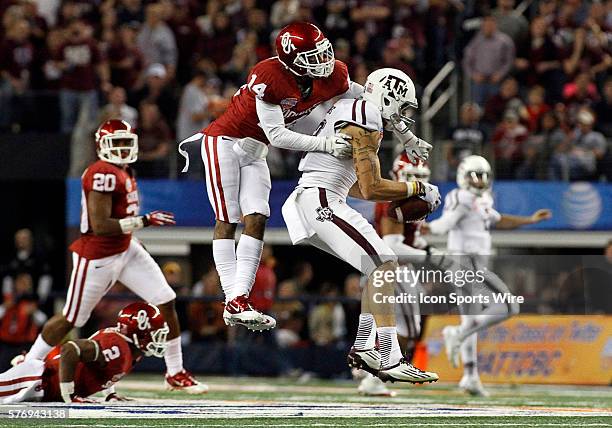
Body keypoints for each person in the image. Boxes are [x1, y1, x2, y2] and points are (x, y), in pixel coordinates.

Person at [178, 22, 364, 332]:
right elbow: (277, 135)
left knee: (259, 217)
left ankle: (239, 300)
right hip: (225, 141)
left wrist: (396, 118)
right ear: (291, 58)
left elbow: (361, 94)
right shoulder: (269, 76)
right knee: (228, 218)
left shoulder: (331, 75)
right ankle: (233, 299)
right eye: (312, 56)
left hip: (255, 150)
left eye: (323, 53)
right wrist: (327, 144)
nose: (323, 62)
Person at [16, 119, 207, 394]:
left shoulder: (125, 171)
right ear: (101, 146)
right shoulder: (100, 173)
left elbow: (120, 218)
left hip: (125, 248)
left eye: (125, 143)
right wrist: (143, 222)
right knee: (72, 318)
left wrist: (134, 234)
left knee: (166, 300)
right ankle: (30, 361)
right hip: (98, 254)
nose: (121, 149)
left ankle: (175, 372)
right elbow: (101, 225)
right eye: (115, 143)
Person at [282, 68, 440, 384]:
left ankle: (365, 345)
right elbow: (370, 189)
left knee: (379, 267)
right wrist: (415, 189)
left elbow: (354, 184)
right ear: (389, 95)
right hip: (321, 200)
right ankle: (390, 357)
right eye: (403, 105)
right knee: (385, 265)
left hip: (318, 197)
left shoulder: (353, 108)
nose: (403, 114)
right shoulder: (365, 114)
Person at [421, 155, 552, 396]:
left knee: (471, 321)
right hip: (466, 264)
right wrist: (430, 227)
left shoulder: (483, 200)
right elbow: (447, 222)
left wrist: (530, 220)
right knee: (510, 306)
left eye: (482, 175)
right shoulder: (460, 197)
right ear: (462, 175)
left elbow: (500, 220)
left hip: (471, 265)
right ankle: (457, 336)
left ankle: (470, 375)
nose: (479, 181)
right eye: (474, 175)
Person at [0, 302, 168, 403]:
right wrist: (70, 395)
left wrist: (111, 394)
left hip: (44, 386)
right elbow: (70, 349)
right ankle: (25, 362)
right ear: (138, 331)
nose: (157, 339)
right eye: (154, 333)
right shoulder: (117, 346)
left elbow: (107, 369)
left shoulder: (131, 350)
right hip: (38, 379)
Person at [463, 15, 515, 106]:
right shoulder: (476, 40)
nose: (488, 28)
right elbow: (467, 60)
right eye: (486, 25)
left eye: (490, 25)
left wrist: (500, 74)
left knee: (496, 106)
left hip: (497, 81)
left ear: (495, 25)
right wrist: (473, 74)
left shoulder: (505, 41)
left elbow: (509, 61)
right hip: (479, 81)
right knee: (477, 107)